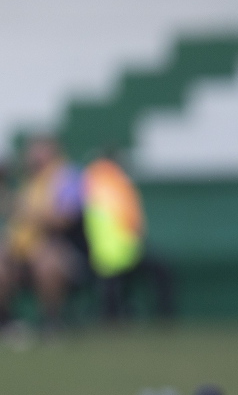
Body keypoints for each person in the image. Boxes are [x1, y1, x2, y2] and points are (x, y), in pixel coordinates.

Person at [0, 136, 84, 330]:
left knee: (47, 261)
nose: (32, 156)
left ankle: (51, 320)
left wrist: (28, 211)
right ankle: (5, 320)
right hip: (21, 248)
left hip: (61, 245)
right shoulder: (27, 181)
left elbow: (65, 218)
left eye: (38, 150)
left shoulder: (67, 176)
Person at [82, 155, 176, 321]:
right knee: (113, 285)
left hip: (123, 250)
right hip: (110, 253)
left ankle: (161, 317)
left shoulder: (106, 183)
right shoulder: (105, 183)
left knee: (159, 271)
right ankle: (159, 317)